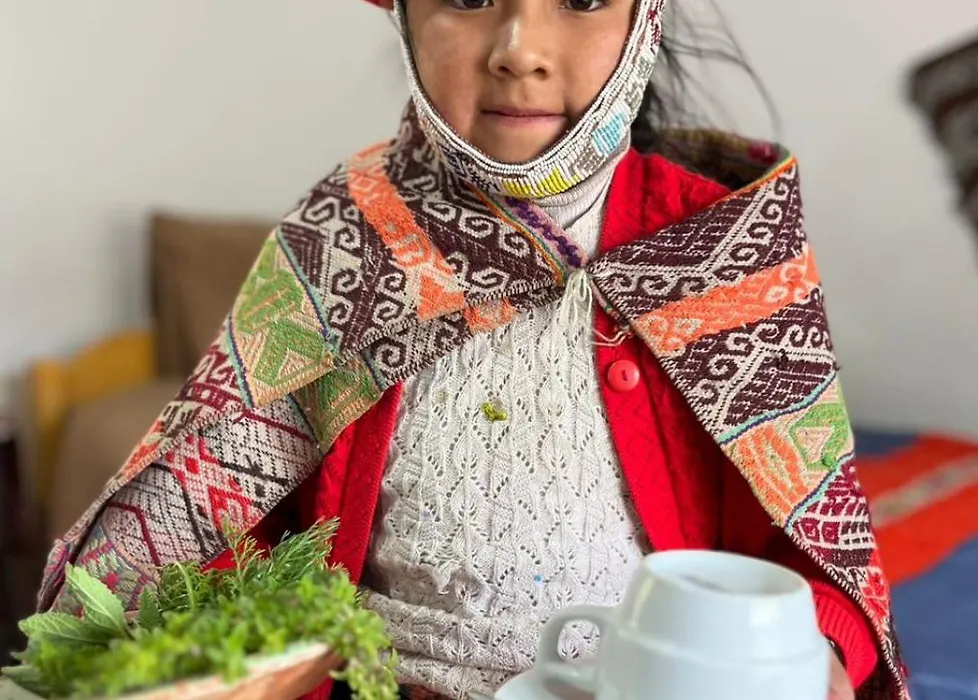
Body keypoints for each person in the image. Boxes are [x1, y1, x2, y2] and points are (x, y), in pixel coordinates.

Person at [37, 0, 910, 698]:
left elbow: (812, 554)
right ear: (402, 14)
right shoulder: (344, 239)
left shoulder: (723, 245)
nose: (520, 49)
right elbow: (219, 518)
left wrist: (816, 652)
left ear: (646, 17)